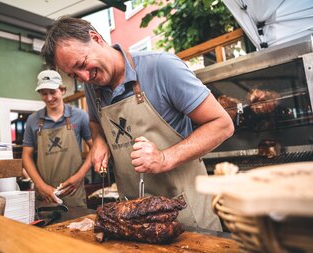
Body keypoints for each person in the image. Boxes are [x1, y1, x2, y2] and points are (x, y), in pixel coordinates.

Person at [41, 17, 234, 230]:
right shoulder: (92, 85)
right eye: (73, 75)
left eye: (82, 64)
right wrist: (99, 141)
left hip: (187, 216)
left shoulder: (162, 67)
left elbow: (222, 124)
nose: (84, 77)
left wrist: (164, 158)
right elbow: (96, 123)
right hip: (133, 220)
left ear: (95, 38)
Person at [22, 69, 93, 208]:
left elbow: (95, 148)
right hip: (45, 195)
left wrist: (79, 177)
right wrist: (40, 185)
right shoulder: (33, 120)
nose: (49, 98)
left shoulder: (79, 116)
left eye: (53, 92)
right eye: (44, 93)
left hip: (73, 192)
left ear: (62, 90)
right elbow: (26, 156)